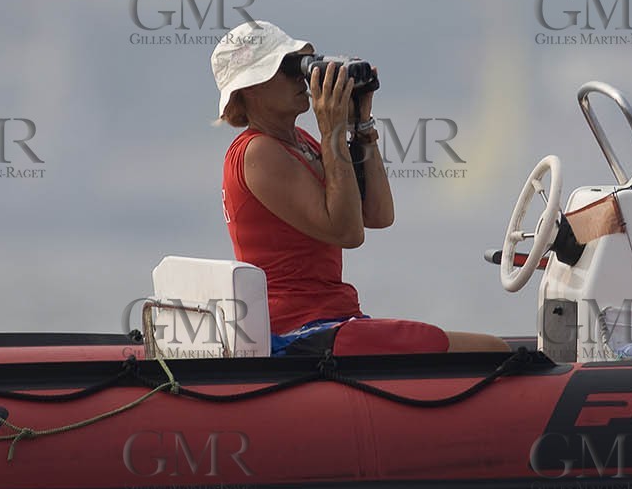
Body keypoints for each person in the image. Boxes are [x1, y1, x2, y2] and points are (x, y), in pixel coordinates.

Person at [212, 20, 510, 356]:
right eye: (287, 68)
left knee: (490, 350)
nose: (302, 77)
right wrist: (333, 133)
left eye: (300, 64)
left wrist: (360, 125)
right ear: (251, 88)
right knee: (492, 351)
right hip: (298, 331)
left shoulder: (300, 143)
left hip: (332, 322)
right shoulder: (258, 152)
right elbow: (347, 233)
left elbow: (379, 214)